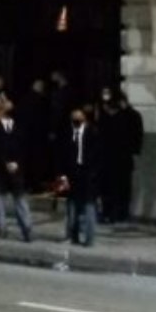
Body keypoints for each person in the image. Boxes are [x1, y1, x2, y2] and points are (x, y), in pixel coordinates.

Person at [0, 99, 33, 242]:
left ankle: (27, 229)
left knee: (20, 200)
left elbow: (24, 147)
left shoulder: (20, 127)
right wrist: (5, 163)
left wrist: (16, 163)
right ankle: (1, 228)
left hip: (16, 169)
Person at [98, 87, 144, 223]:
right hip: (109, 158)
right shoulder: (107, 116)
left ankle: (119, 213)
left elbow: (136, 136)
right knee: (108, 186)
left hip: (121, 158)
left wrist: (133, 151)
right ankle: (109, 212)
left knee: (121, 186)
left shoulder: (129, 116)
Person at [59, 106, 101, 247]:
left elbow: (98, 156)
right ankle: (72, 235)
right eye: (73, 117)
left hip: (88, 174)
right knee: (72, 206)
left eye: (78, 117)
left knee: (89, 207)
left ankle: (89, 239)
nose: (76, 120)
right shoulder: (67, 134)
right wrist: (63, 176)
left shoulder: (93, 133)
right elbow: (62, 156)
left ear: (84, 118)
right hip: (73, 173)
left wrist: (94, 173)